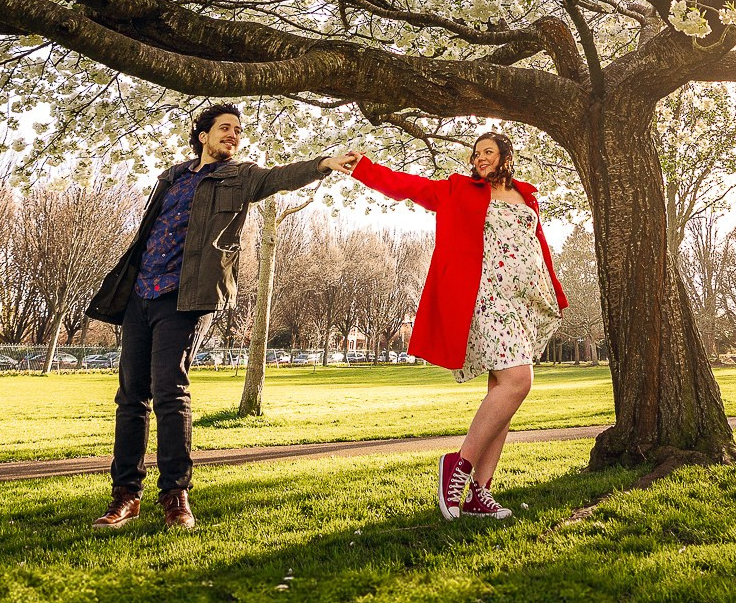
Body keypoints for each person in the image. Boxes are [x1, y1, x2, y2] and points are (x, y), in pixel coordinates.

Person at [83, 103, 357, 530]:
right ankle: (125, 496)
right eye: (224, 128)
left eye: (238, 130)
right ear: (202, 135)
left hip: (187, 296)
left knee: (170, 392)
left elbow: (278, 177)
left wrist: (323, 163)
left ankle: (175, 495)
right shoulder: (171, 177)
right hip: (141, 293)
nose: (233, 135)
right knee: (130, 397)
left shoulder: (241, 176)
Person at [336, 129, 566, 520]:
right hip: (487, 299)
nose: (480, 158)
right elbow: (410, 187)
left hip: (522, 301)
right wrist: (364, 169)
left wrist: (555, 293)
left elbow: (537, 246)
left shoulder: (527, 197)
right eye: (476, 153)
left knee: (503, 391)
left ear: (505, 157)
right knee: (519, 381)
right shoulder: (460, 190)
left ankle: (479, 493)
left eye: (488, 152)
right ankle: (456, 467)